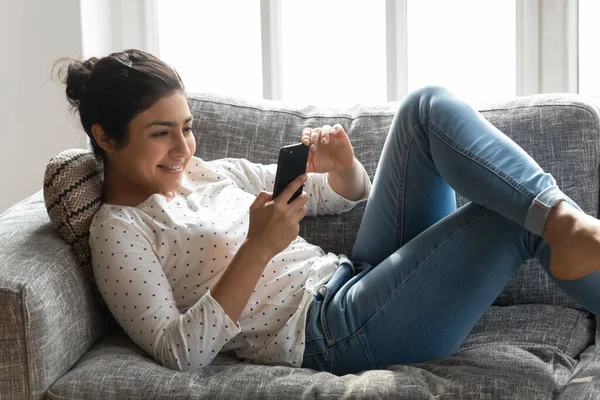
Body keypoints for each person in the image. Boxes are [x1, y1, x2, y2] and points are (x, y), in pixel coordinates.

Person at [56, 49, 600, 376]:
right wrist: (257, 249)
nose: (183, 148)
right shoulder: (118, 231)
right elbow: (180, 352)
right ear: (105, 137)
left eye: (187, 127)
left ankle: (564, 222)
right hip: (333, 334)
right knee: (511, 216)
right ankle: (561, 223)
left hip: (356, 277)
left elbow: (339, 195)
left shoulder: (207, 172)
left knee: (425, 106)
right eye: (161, 134)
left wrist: (343, 167)